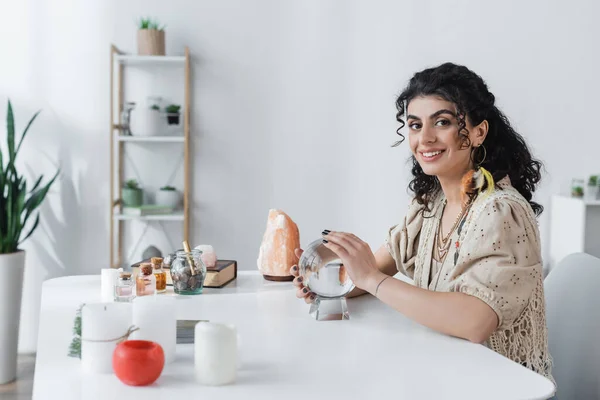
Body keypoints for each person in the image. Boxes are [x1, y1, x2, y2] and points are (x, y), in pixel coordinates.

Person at [290, 62, 554, 381]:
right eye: (415, 125)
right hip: (445, 374)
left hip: (500, 386)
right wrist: (333, 285)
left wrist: (370, 278)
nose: (425, 138)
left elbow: (475, 322)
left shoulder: (499, 210)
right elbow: (376, 268)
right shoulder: (429, 205)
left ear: (478, 131)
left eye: (441, 122)